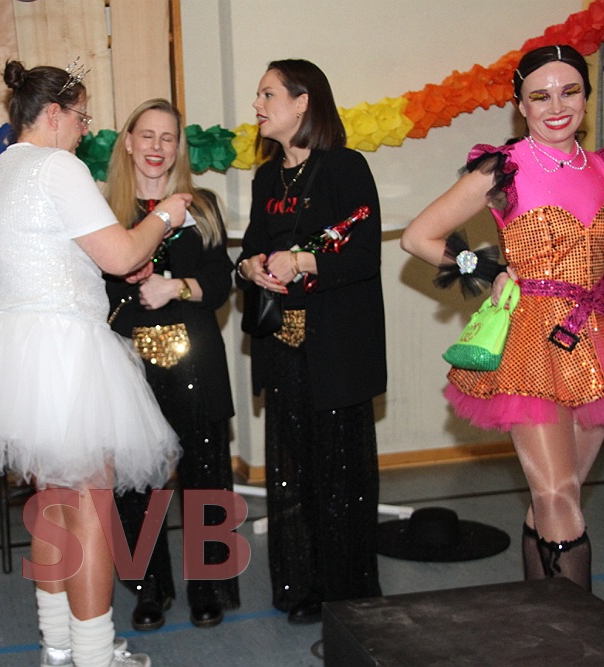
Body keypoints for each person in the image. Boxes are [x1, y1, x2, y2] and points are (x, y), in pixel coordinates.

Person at [0, 60, 192, 667]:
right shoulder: (58, 167)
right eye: (82, 117)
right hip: (63, 354)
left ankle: (58, 645)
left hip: (13, 358)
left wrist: (108, 259)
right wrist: (166, 214)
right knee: (89, 509)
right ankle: (93, 654)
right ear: (55, 114)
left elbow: (48, 253)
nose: (87, 130)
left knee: (52, 504)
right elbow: (120, 255)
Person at [400, 44, 604, 592]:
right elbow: (418, 237)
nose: (556, 105)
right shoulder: (504, 168)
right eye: (540, 95)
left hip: (598, 340)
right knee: (556, 494)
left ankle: (540, 615)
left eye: (569, 91)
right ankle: (575, 628)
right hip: (532, 342)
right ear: (521, 106)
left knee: (559, 496)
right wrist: (485, 269)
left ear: (586, 97)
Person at [234, 59, 386, 624]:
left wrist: (303, 262)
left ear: (303, 102)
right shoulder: (265, 178)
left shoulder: (345, 167)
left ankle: (347, 593)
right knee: (290, 473)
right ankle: (298, 589)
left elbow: (364, 256)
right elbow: (250, 248)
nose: (257, 105)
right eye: (258, 95)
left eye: (267, 94)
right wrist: (250, 268)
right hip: (281, 346)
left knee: (341, 474)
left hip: (336, 350)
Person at [102, 99, 240, 631]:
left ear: (178, 147)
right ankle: (148, 589)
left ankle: (209, 587)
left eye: (168, 137)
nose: (157, 147)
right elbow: (94, 290)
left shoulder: (202, 206)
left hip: (196, 360)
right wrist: (129, 281)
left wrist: (176, 286)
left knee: (206, 477)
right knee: (135, 484)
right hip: (129, 363)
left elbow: (221, 284)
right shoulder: (104, 211)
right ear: (129, 142)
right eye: (148, 135)